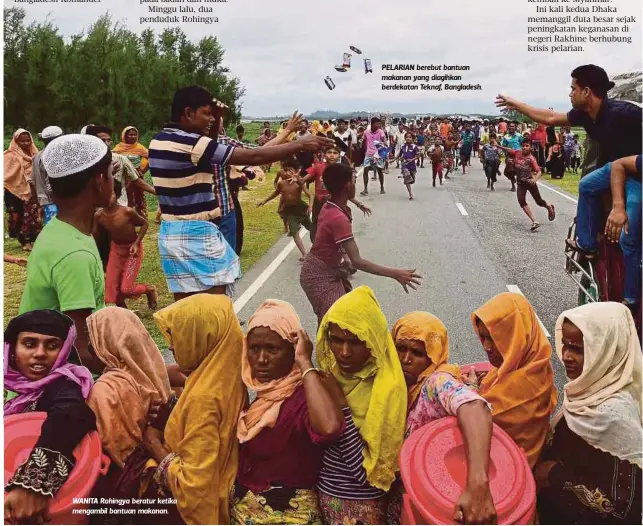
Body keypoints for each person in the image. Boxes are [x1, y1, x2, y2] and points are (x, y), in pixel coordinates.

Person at [148, 86, 332, 301]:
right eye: (207, 114)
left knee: (187, 311)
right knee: (217, 308)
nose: (211, 120)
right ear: (188, 113)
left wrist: (215, 121)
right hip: (197, 234)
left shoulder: (159, 140)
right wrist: (299, 143)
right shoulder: (194, 143)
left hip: (171, 233)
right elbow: (253, 157)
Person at [231, 299, 345, 524]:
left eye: (272, 349)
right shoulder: (263, 396)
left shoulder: (303, 395)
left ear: (292, 350)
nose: (261, 360)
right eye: (254, 349)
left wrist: (304, 362)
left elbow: (330, 427)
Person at [142, 294, 247, 524]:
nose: (171, 345)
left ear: (203, 339)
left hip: (204, 506)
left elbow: (194, 485)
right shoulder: (226, 370)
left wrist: (154, 444)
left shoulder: (203, 399)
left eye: (180, 335)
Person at [535, 302, 642, 524]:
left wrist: (557, 477)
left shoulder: (616, 417)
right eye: (565, 345)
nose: (565, 356)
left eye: (579, 349)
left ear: (607, 350)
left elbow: (624, 509)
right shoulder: (586, 391)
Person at [18, 135, 114, 375]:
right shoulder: (75, 254)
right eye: (112, 174)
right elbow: (78, 353)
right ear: (100, 180)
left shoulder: (61, 230)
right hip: (53, 393)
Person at [390, 312, 497, 524]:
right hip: (401, 481)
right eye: (400, 348)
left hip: (427, 489)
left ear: (434, 355)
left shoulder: (436, 382)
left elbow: (474, 406)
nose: (405, 359)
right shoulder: (395, 379)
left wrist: (478, 485)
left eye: (418, 353)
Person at [315, 286, 407, 524]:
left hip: (360, 507)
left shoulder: (387, 390)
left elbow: (365, 473)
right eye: (335, 340)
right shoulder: (332, 375)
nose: (343, 352)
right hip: (326, 497)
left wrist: (341, 407)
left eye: (355, 342)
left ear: (373, 339)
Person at [4, 311, 95, 525]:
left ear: (64, 351)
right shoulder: (26, 392)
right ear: (12, 350)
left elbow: (70, 413)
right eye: (29, 344)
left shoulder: (65, 383)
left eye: (52, 346)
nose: (40, 353)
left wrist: (32, 486)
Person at [300, 164, 422, 324]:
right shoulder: (338, 217)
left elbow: (334, 241)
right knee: (334, 323)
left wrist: (344, 258)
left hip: (323, 269)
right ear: (347, 186)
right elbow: (358, 260)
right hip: (318, 276)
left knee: (336, 321)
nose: (355, 182)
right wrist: (395, 274)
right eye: (353, 180)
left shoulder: (330, 205)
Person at [495, 64, 642, 169]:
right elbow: (550, 118)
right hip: (615, 170)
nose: (570, 94)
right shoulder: (584, 114)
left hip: (635, 171)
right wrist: (517, 105)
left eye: (573, 89)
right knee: (587, 186)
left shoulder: (625, 114)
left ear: (586, 91)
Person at [471, 292, 558, 468]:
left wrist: (471, 387)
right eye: (483, 337)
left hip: (507, 473)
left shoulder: (524, 384)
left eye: (494, 339)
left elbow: (473, 419)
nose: (486, 347)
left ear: (517, 336)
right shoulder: (534, 361)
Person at [86, 307, 173, 475]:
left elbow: (112, 449)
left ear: (106, 347)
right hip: (162, 461)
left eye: (94, 345)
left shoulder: (104, 390)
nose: (92, 351)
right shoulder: (154, 371)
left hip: (130, 479)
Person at [574, 155, 641, 312]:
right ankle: (630, 299)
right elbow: (619, 165)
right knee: (628, 234)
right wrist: (618, 207)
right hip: (630, 175)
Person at [93, 180, 158, 310]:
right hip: (116, 250)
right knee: (110, 291)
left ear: (117, 195)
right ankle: (125, 313)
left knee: (126, 289)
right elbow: (94, 236)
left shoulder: (127, 212)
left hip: (132, 251)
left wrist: (136, 243)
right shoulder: (99, 215)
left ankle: (149, 290)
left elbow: (145, 224)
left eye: (109, 194)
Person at [301, 145, 371, 243]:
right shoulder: (318, 168)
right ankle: (316, 250)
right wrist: (309, 193)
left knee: (337, 228)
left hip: (336, 204)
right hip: (320, 204)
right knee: (316, 228)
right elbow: (302, 181)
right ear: (324, 155)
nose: (332, 155)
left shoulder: (342, 170)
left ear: (339, 156)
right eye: (329, 153)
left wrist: (359, 204)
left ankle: (341, 251)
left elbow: (345, 192)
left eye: (335, 153)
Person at [257, 157, 313, 261]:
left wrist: (310, 206)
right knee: (295, 233)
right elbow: (275, 193)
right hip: (290, 211)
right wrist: (264, 201)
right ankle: (304, 253)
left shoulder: (299, 182)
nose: (288, 173)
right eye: (286, 170)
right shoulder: (281, 184)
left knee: (312, 228)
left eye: (291, 170)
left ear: (296, 171)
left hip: (301, 209)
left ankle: (319, 247)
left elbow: (310, 195)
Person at [497, 138, 556, 231]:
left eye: (527, 146)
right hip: (520, 183)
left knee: (539, 202)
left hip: (529, 182)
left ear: (531, 148)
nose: (524, 147)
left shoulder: (531, 159)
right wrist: (497, 146)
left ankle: (549, 206)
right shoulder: (517, 153)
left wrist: (535, 180)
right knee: (521, 201)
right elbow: (507, 150)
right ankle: (534, 221)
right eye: (523, 145)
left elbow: (539, 171)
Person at [4, 129, 42, 251]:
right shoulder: (9, 155)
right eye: (22, 141)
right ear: (16, 141)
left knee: (31, 216)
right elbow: (6, 174)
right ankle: (24, 242)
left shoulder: (35, 154)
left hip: (31, 190)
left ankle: (30, 239)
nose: (25, 143)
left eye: (28, 140)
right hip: (14, 191)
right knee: (18, 216)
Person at [113, 126, 154, 218]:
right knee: (127, 196)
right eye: (130, 135)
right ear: (124, 136)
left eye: (134, 135)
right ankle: (129, 217)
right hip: (124, 177)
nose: (133, 137)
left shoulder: (140, 147)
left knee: (139, 197)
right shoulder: (118, 148)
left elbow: (150, 158)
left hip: (138, 177)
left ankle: (141, 216)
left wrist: (143, 170)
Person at [32, 126, 64, 225]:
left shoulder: (37, 156)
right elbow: (51, 183)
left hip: (45, 201)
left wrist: (38, 202)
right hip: (55, 201)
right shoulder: (52, 156)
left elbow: (33, 182)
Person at [361, 117, 388, 195]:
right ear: (372, 124)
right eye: (377, 123)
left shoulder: (380, 132)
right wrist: (366, 150)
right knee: (365, 170)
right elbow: (364, 142)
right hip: (369, 154)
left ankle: (382, 187)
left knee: (379, 170)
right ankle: (365, 189)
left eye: (380, 124)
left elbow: (384, 141)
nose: (379, 125)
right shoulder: (366, 132)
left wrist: (384, 145)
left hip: (377, 154)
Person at [500, 122, 523, 192]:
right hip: (510, 156)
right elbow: (503, 147)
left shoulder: (519, 136)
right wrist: (505, 155)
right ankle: (513, 185)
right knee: (510, 171)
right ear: (508, 127)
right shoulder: (506, 137)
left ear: (515, 127)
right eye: (510, 126)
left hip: (519, 155)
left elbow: (523, 144)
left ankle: (519, 184)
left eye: (513, 126)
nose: (511, 128)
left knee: (519, 170)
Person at [397, 132, 418, 199]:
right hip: (404, 165)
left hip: (412, 166)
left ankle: (410, 179)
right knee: (407, 178)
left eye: (410, 137)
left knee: (412, 179)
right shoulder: (403, 146)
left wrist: (412, 159)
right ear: (405, 138)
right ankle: (410, 194)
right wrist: (393, 159)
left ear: (412, 138)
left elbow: (418, 155)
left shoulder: (414, 147)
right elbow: (399, 154)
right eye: (407, 137)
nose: (408, 138)